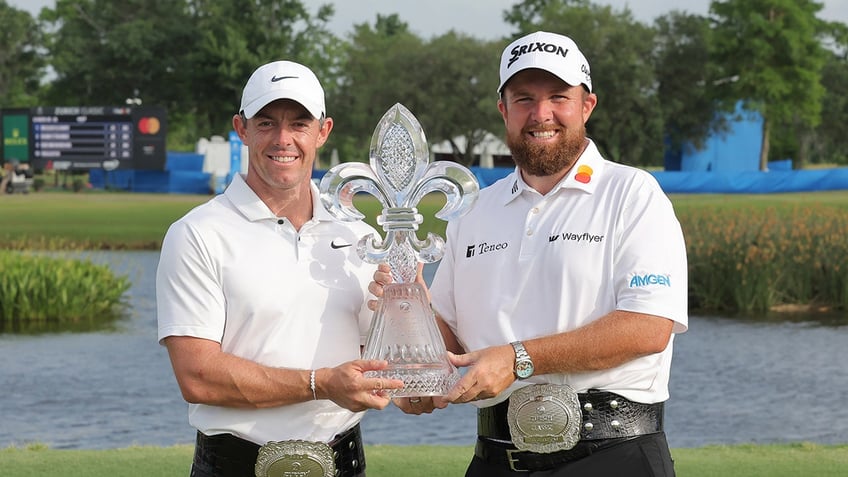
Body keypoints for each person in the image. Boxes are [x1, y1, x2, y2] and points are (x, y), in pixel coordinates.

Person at [373, 31, 688, 476]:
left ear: (587, 105)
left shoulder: (632, 194)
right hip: (496, 457)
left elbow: (648, 326)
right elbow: (451, 340)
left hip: (613, 456)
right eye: (524, 98)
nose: (541, 114)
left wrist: (518, 359)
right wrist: (408, 318)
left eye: (558, 96)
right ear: (504, 110)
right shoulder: (474, 210)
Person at [156, 60, 403, 477]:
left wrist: (404, 316)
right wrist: (321, 383)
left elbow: (376, 362)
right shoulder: (197, 233)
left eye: (299, 124)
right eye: (267, 123)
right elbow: (198, 377)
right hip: (233, 466)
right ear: (242, 128)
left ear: (323, 131)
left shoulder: (359, 235)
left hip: (345, 463)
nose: (283, 139)